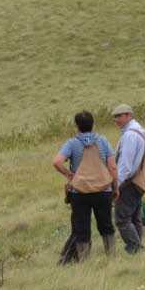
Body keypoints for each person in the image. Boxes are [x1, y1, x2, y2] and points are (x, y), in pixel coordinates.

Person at [52, 111, 119, 261]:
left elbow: (56, 162)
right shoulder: (103, 141)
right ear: (93, 125)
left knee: (82, 229)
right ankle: (112, 259)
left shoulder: (72, 143)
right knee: (106, 226)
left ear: (77, 127)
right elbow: (113, 167)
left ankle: (84, 263)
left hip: (79, 193)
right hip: (103, 191)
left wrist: (69, 174)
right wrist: (115, 187)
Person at [112, 104, 145, 253]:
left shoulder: (129, 135)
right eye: (115, 117)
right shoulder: (140, 130)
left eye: (120, 116)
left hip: (129, 182)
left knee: (122, 219)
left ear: (130, 115)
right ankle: (138, 249)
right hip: (139, 180)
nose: (116, 119)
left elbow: (125, 166)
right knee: (135, 218)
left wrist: (116, 186)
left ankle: (136, 249)